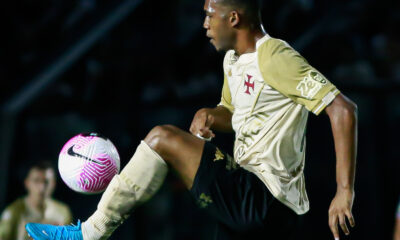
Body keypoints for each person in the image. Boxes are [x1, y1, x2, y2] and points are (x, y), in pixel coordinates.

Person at [25, 0, 358, 239]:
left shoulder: (275, 56)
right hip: (256, 203)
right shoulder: (234, 60)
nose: (204, 24)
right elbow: (233, 113)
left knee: (161, 138)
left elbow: (342, 109)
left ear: (234, 18)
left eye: (209, 14)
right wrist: (210, 115)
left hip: (265, 197)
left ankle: (90, 233)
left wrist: (344, 192)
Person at [0, 161, 72, 240]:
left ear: (53, 184)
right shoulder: (14, 212)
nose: (42, 188)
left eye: (46, 182)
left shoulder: (63, 212)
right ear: (27, 183)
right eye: (36, 181)